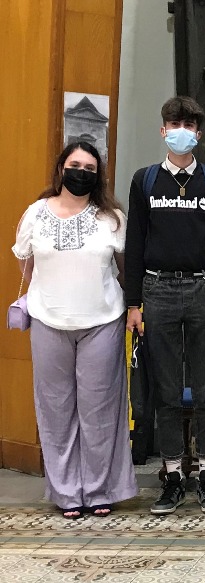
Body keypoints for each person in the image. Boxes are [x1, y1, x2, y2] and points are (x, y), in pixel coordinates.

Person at [12, 142, 138, 518]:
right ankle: (67, 493)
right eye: (75, 164)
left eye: (89, 168)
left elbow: (125, 269)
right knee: (56, 410)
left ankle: (100, 490)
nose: (81, 172)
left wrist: (133, 307)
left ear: (98, 176)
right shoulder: (35, 213)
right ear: (60, 168)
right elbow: (26, 265)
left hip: (102, 323)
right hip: (48, 322)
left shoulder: (112, 218)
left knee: (100, 411)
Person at [125, 96, 205, 515]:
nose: (181, 131)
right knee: (167, 391)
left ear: (198, 134)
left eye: (189, 125)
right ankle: (172, 477)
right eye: (175, 124)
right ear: (163, 130)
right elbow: (135, 242)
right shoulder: (145, 181)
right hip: (157, 290)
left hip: (204, 289)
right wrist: (133, 303)